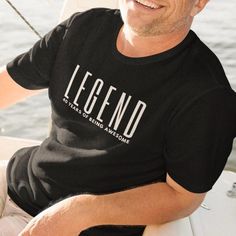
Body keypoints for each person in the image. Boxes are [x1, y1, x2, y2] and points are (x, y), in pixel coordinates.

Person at [0, 0, 236, 235]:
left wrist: (81, 211)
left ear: (199, 4)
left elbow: (183, 198)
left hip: (82, 226)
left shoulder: (207, 94)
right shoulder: (84, 27)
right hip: (15, 184)